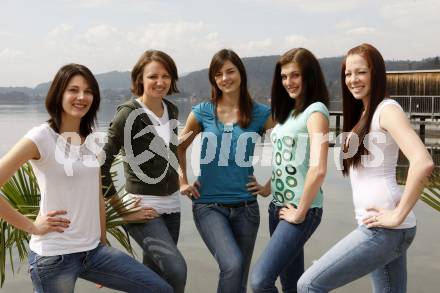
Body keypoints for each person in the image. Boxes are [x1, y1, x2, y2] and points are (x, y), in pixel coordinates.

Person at [0, 63, 172, 292]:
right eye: (73, 90)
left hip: (93, 252)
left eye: (88, 91)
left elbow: (97, 195)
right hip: (54, 256)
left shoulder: (92, 140)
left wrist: (103, 243)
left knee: (161, 289)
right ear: (58, 93)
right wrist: (32, 227)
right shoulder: (41, 137)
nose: (82, 97)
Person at [297, 43, 435, 293]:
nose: (353, 79)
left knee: (308, 285)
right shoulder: (364, 114)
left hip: (385, 230)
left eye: (360, 72)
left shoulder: (387, 110)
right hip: (380, 227)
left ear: (376, 73)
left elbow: (423, 161)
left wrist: (397, 214)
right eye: (348, 74)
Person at [178, 48, 273, 293]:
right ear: (213, 79)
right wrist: (183, 181)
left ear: (240, 73)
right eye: (218, 74)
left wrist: (268, 186)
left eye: (230, 71)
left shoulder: (261, 113)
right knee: (232, 264)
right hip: (208, 205)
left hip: (247, 209)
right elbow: (177, 148)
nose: (225, 78)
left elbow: (292, 149)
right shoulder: (202, 112)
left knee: (239, 278)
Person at [101, 50, 187, 293]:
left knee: (154, 274)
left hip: (173, 205)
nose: (160, 82)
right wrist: (120, 209)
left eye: (166, 76)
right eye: (153, 77)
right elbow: (100, 164)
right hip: (142, 208)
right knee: (177, 270)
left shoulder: (172, 110)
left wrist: (183, 181)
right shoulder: (128, 114)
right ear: (140, 79)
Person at [249, 48, 330, 293]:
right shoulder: (288, 113)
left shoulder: (315, 111)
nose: (288, 82)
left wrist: (301, 211)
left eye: (295, 75)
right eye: (284, 77)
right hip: (278, 207)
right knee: (291, 284)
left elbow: (319, 167)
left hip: (301, 209)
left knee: (260, 280)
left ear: (309, 76)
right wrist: (267, 187)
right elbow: (288, 161)